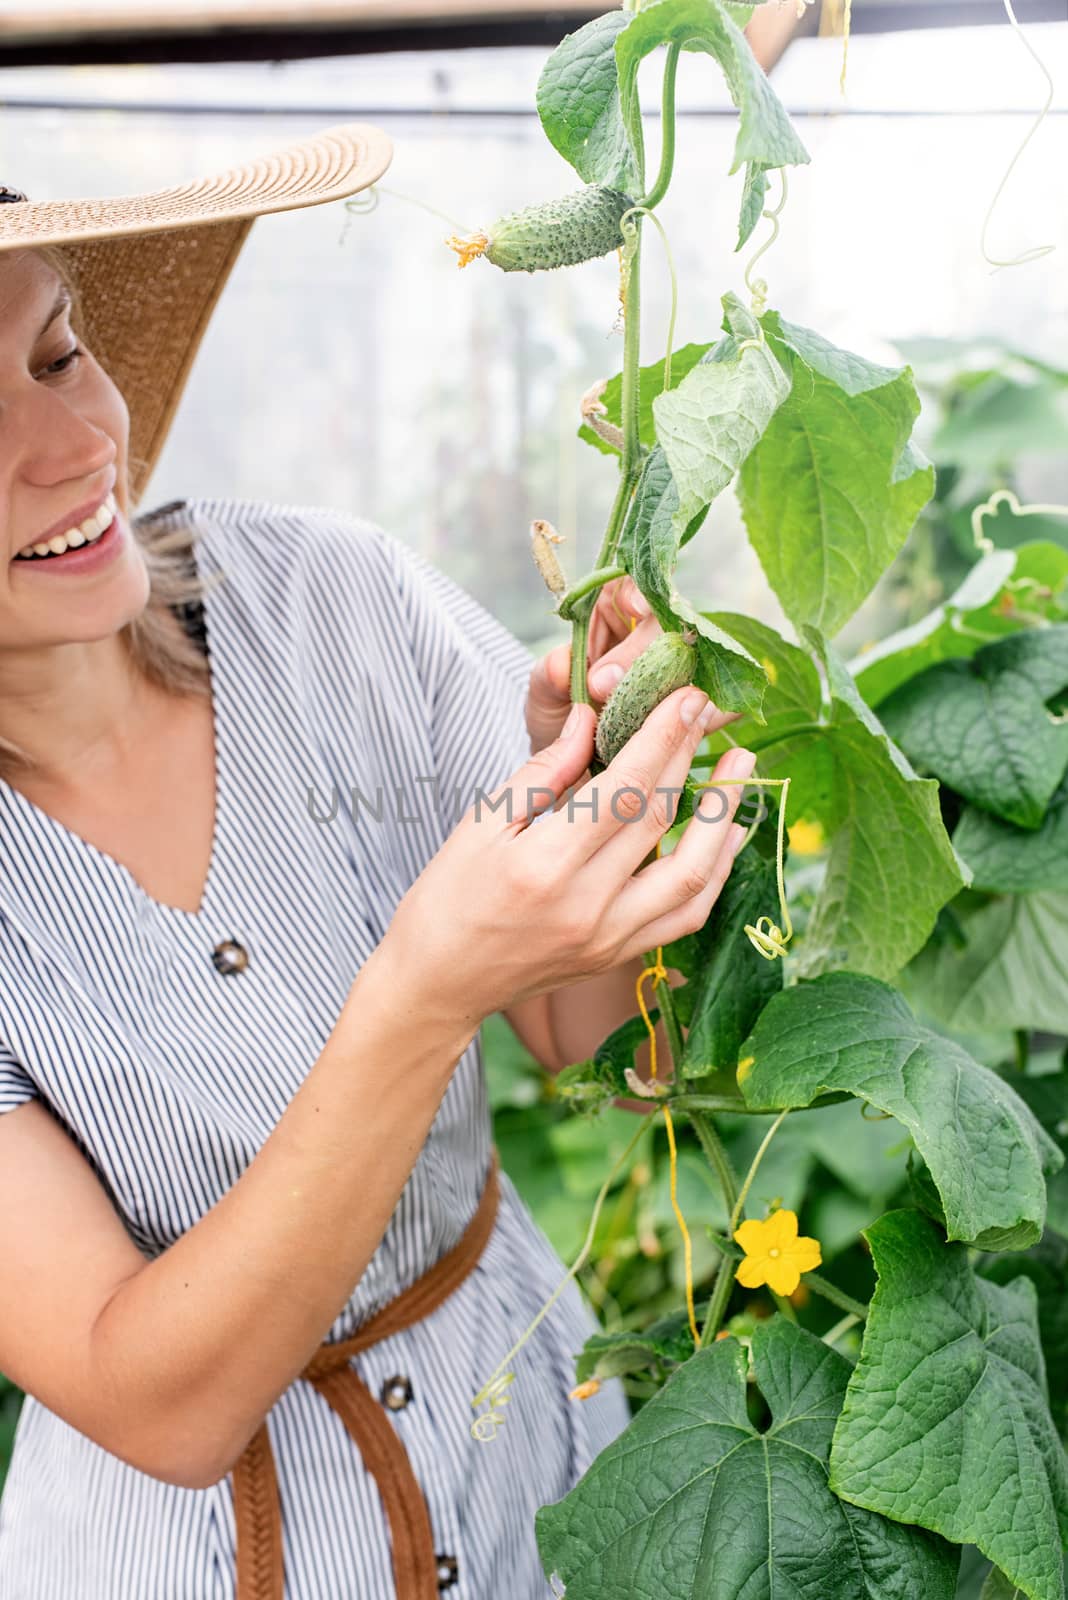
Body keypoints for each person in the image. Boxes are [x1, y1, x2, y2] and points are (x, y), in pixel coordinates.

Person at [0, 123, 756, 1597]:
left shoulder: (326, 600)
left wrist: (598, 823)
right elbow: (156, 1398)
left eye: (54, 355)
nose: (80, 442)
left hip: (537, 1467)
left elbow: (608, 1048)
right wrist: (421, 989)